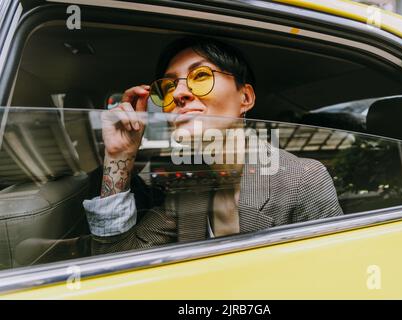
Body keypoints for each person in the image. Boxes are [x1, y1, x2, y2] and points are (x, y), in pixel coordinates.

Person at [82, 37, 343, 255]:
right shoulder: (187, 188)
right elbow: (119, 264)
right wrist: (120, 156)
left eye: (201, 75)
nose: (179, 95)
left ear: (246, 97)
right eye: (168, 86)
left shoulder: (303, 179)